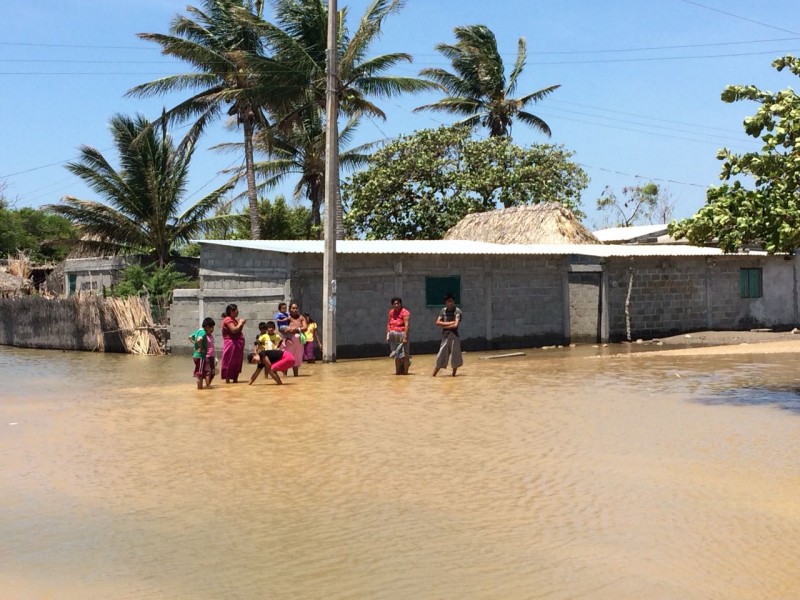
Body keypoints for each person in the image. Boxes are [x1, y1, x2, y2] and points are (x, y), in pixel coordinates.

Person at [432, 293, 463, 377]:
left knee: (455, 357)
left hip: (454, 336)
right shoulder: (443, 310)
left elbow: (455, 325)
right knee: (440, 356)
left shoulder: (457, 311)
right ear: (445, 302)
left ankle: (453, 375)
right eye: (448, 301)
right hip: (445, 336)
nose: (450, 303)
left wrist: (444, 325)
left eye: (451, 301)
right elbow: (437, 322)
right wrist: (450, 323)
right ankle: (433, 375)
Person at [221, 303, 247, 383]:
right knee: (230, 362)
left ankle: (235, 379)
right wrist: (240, 323)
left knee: (237, 362)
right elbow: (234, 330)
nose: (237, 312)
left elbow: (239, 330)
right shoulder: (228, 320)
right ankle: (228, 380)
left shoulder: (234, 319)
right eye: (236, 310)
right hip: (231, 344)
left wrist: (241, 324)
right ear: (231, 311)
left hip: (237, 344)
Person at [386, 296, 410, 375]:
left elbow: (407, 325)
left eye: (398, 303)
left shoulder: (405, 312)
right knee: (396, 355)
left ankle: (405, 373)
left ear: (401, 304)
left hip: (402, 334)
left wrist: (405, 337)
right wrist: (387, 335)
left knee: (405, 355)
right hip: (393, 334)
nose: (396, 305)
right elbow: (389, 324)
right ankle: (398, 373)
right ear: (392, 305)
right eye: (394, 304)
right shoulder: (391, 312)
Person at [189, 317, 215, 389]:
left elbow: (190, 337)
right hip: (201, 356)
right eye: (211, 327)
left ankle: (202, 389)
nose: (212, 329)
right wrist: (201, 347)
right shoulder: (204, 333)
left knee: (202, 372)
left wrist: (196, 345)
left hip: (197, 355)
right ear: (207, 327)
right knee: (201, 374)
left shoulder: (199, 331)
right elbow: (199, 339)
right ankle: (202, 389)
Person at [282, 302, 308, 376]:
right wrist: (288, 329)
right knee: (286, 357)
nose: (295, 310)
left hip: (299, 342)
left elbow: (305, 327)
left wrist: (296, 329)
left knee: (297, 357)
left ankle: (296, 376)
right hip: (288, 341)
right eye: (293, 308)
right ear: (289, 309)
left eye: (296, 308)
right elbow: (281, 327)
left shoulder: (301, 317)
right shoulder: (287, 317)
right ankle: (284, 376)